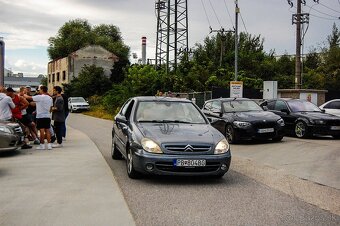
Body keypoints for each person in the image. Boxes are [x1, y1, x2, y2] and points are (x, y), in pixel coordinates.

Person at [24, 85, 53, 150]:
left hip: (40, 116)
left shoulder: (39, 97)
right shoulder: (50, 98)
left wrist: (24, 92)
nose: (39, 91)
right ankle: (49, 145)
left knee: (42, 131)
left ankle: (42, 145)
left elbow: (28, 97)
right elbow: (51, 108)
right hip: (47, 116)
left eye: (40, 89)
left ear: (42, 90)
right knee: (47, 130)